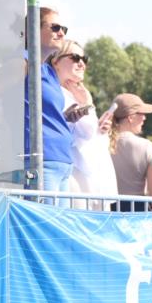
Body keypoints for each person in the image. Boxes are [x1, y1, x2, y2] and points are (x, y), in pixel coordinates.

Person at [48, 39, 117, 210]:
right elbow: (84, 133)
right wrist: (87, 105)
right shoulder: (55, 93)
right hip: (74, 178)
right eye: (74, 57)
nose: (81, 63)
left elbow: (90, 137)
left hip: (91, 180)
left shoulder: (78, 94)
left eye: (84, 59)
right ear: (55, 62)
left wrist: (101, 131)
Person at [24, 7, 74, 203]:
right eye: (54, 27)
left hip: (62, 162)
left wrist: (66, 117)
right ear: (32, 30)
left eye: (63, 28)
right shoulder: (23, 62)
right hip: (41, 161)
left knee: (57, 229)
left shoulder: (49, 71)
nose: (61, 33)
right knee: (43, 229)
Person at [109, 93, 152, 211]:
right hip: (137, 216)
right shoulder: (147, 147)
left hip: (106, 215)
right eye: (142, 113)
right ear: (131, 117)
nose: (144, 118)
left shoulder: (100, 144)